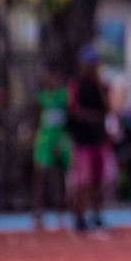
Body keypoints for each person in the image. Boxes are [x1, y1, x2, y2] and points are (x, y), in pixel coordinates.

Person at [67, 46, 110, 233]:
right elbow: (74, 112)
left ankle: (97, 216)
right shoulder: (75, 85)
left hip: (98, 140)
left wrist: (99, 86)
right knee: (83, 182)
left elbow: (107, 109)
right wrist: (94, 116)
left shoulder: (100, 85)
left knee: (99, 181)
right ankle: (80, 218)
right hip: (82, 141)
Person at [32, 66, 71, 231]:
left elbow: (69, 118)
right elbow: (36, 119)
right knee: (41, 177)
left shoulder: (64, 96)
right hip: (44, 142)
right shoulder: (41, 98)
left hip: (60, 141)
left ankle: (61, 214)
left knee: (61, 178)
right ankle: (39, 214)